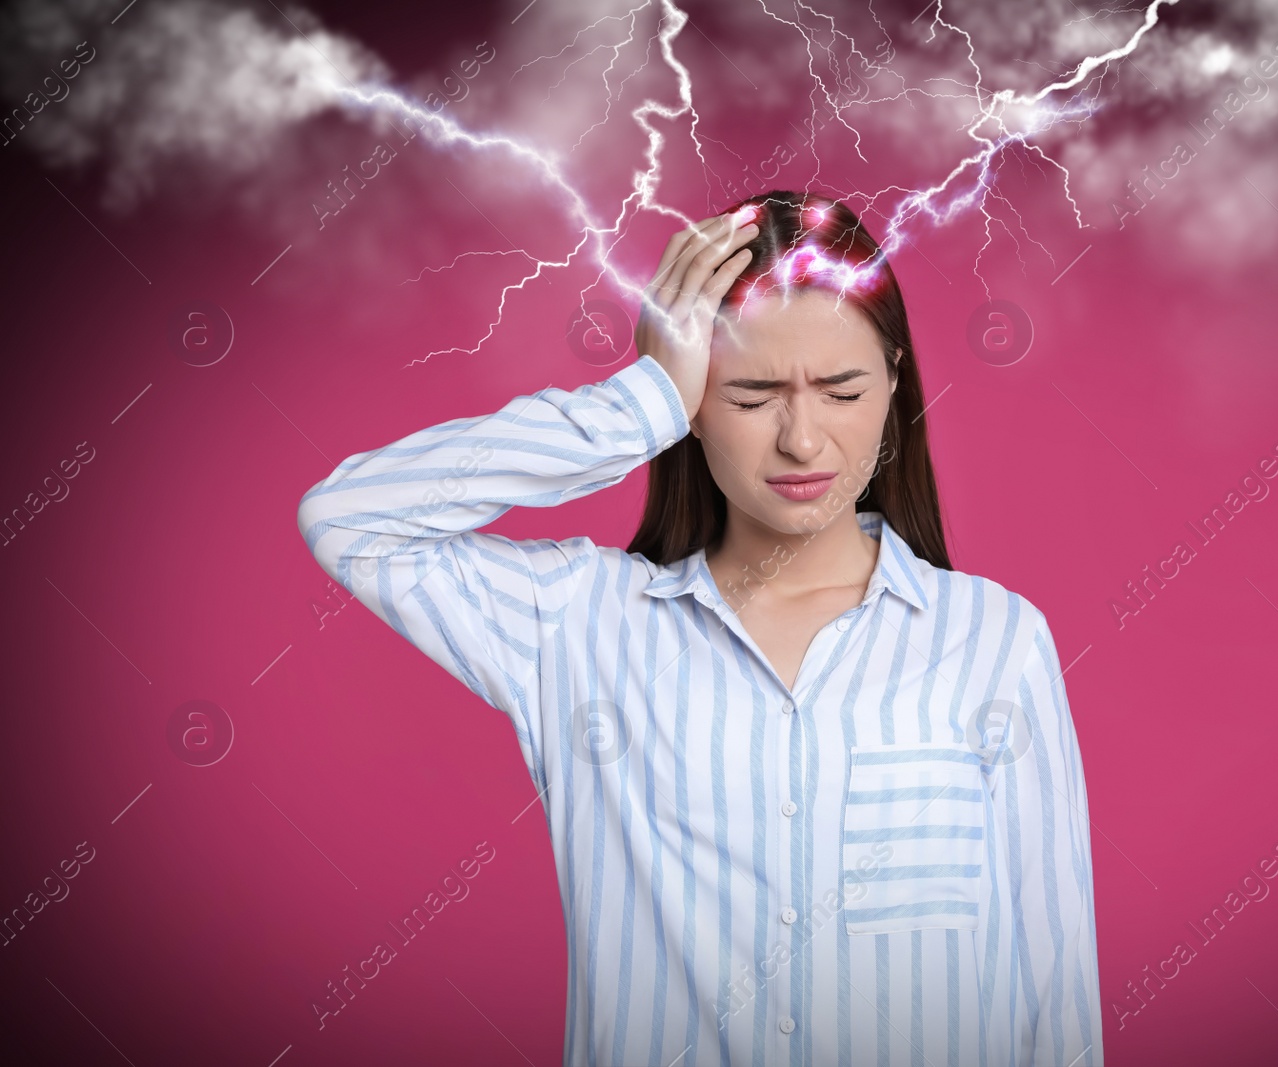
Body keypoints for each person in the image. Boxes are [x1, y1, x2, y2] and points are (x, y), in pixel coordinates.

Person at [296, 189, 1102, 1066]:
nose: (803, 442)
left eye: (841, 389)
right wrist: (636, 403)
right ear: (693, 405)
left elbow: (1054, 996)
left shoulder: (993, 641)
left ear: (895, 381)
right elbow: (350, 517)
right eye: (752, 395)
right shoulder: (581, 628)